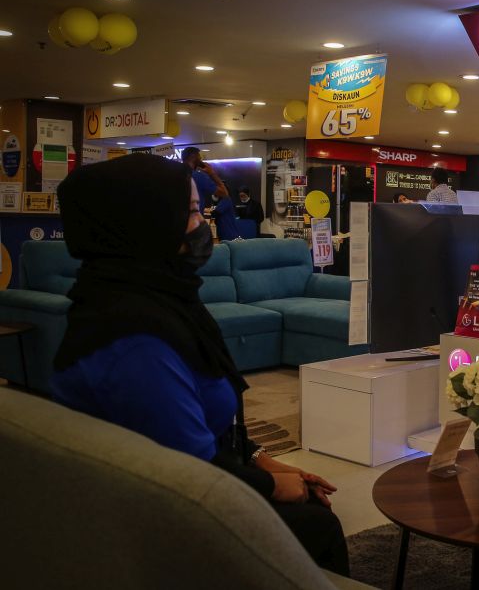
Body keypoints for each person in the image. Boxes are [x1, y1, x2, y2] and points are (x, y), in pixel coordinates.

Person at [49, 154, 351, 576]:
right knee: (317, 525)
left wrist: (263, 459)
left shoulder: (160, 298)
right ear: (144, 221)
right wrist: (270, 486)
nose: (203, 225)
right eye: (191, 211)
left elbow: (202, 434)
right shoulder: (133, 338)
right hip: (165, 519)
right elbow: (187, 468)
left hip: (194, 486)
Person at [181, 146, 228, 213]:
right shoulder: (198, 176)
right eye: (199, 156)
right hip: (194, 220)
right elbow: (224, 193)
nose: (200, 159)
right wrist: (212, 173)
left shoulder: (172, 174)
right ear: (193, 157)